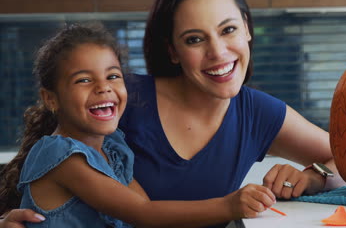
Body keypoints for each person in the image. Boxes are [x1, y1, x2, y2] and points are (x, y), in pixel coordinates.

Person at [0, 0, 346, 227]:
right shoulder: (119, 97)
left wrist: (314, 175)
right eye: (195, 39)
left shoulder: (259, 113)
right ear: (173, 50)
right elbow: (46, 177)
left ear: (246, 27)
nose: (218, 52)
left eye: (228, 30)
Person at [0, 23, 276, 227]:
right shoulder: (63, 157)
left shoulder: (113, 148)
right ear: (50, 99)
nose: (103, 88)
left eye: (113, 76)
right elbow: (142, 212)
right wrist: (228, 205)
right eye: (84, 80)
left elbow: (148, 214)